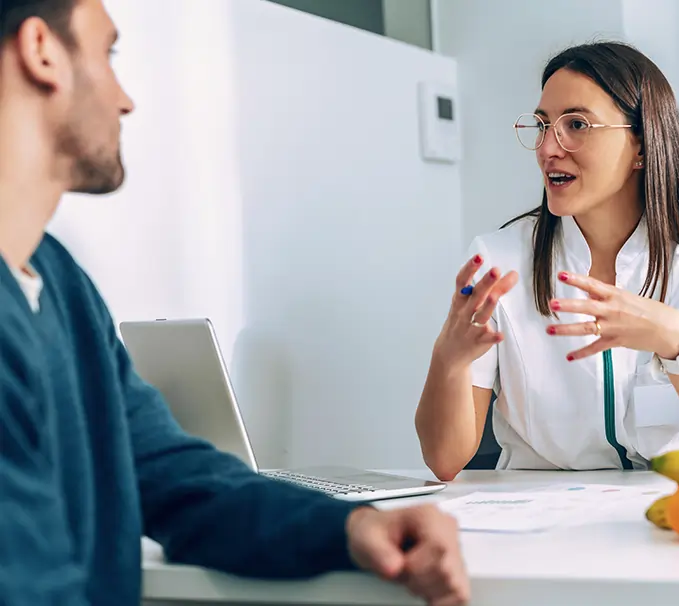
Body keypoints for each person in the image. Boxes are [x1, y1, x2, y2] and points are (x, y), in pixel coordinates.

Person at [0, 1, 468, 605]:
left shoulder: (60, 283)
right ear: (42, 51)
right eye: (107, 53)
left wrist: (353, 526)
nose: (126, 99)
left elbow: (178, 479)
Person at [416, 41, 679, 481]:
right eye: (543, 127)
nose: (548, 149)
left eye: (576, 124)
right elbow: (444, 461)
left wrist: (675, 339)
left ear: (641, 144)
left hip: (678, 516)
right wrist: (447, 361)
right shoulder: (498, 262)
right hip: (533, 520)